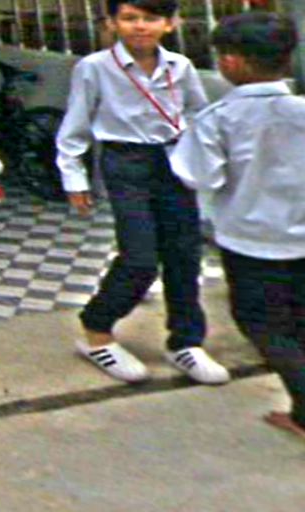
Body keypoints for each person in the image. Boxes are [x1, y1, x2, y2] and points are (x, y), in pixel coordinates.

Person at [56, 0, 230, 385]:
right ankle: (97, 331)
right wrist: (74, 179)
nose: (140, 26)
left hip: (174, 160)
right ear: (112, 23)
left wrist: (204, 159)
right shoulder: (94, 67)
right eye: (129, 18)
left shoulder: (180, 66)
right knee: (139, 258)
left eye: (151, 18)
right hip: (125, 163)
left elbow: (198, 114)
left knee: (185, 254)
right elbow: (75, 126)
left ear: (170, 24)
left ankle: (185, 341)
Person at [170, 11, 305, 439]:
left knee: (262, 325)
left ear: (230, 62)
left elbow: (198, 175)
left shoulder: (219, 118)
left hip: (252, 242)